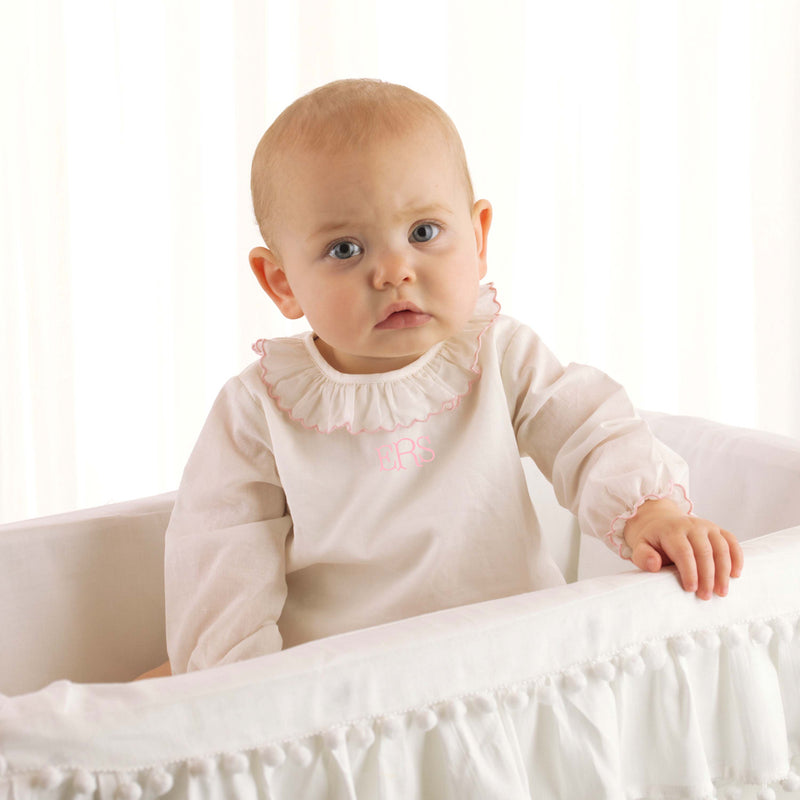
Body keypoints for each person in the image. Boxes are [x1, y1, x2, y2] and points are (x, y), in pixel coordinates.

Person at [160, 79, 743, 676]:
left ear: (479, 236)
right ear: (280, 282)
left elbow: (586, 429)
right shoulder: (258, 410)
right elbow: (219, 555)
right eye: (344, 249)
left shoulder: (498, 354)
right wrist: (231, 687)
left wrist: (650, 511)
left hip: (515, 668)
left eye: (423, 233)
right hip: (342, 696)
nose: (393, 272)